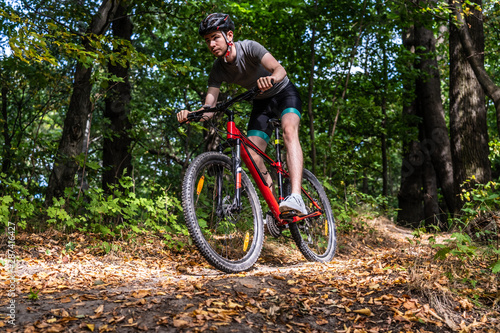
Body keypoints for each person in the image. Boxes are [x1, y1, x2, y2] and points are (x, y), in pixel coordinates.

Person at [177, 13, 306, 215]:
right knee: (252, 155)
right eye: (207, 40)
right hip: (261, 102)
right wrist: (191, 115)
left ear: (229, 35)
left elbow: (280, 70)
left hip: (284, 93)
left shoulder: (250, 48)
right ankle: (276, 210)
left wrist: (271, 79)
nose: (211, 44)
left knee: (289, 131)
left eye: (215, 37)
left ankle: (297, 196)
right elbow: (208, 109)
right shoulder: (218, 69)